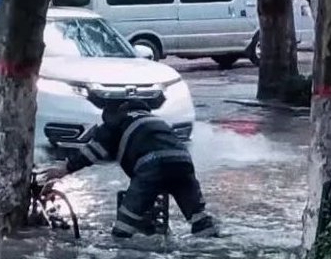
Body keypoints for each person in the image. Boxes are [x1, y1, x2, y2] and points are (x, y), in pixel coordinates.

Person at [41, 100, 219, 238]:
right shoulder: (156, 121)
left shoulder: (116, 122)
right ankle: (211, 243)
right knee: (198, 216)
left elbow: (93, 152)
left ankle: (124, 258)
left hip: (151, 167)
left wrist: (64, 169)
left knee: (124, 225)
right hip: (183, 164)